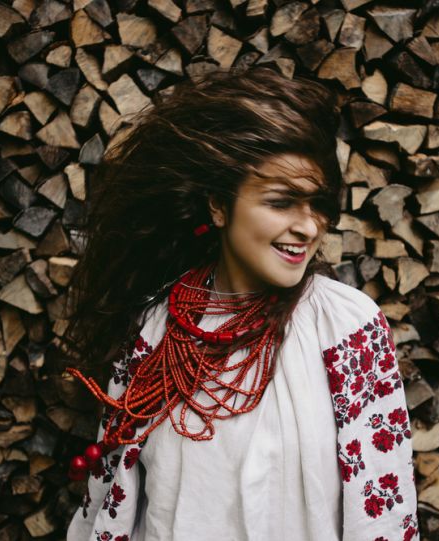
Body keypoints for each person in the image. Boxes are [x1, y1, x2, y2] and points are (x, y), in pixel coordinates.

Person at [61, 66, 419, 541]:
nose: (309, 227)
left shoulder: (347, 329)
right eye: (281, 202)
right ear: (219, 205)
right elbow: (115, 492)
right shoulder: (157, 327)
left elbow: (382, 509)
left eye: (317, 205)